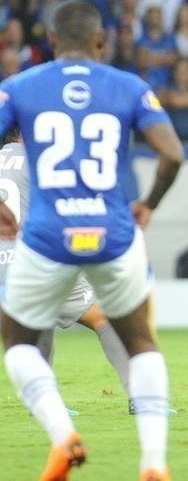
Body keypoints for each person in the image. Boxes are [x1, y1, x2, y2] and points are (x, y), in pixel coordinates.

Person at [0, 0, 183, 479]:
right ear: (101, 42)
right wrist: (150, 203)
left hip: (46, 237)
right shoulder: (129, 86)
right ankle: (154, 461)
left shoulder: (20, 87)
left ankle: (62, 435)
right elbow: (172, 154)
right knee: (140, 340)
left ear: (51, 42)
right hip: (113, 232)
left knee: (19, 343)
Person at [0, 131, 132, 410]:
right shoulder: (39, 160)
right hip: (33, 260)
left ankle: (43, 403)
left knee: (40, 321)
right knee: (104, 318)